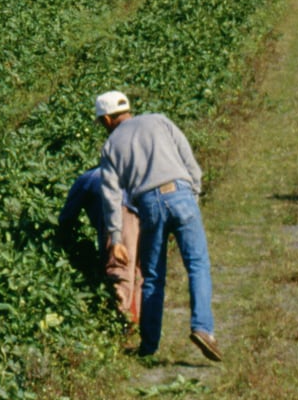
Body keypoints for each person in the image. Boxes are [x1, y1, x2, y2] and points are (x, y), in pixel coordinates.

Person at [93, 90, 219, 361]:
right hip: (182, 194)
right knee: (197, 265)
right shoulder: (159, 121)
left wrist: (116, 238)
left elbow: (111, 197)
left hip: (148, 204)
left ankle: (149, 345)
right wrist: (192, 197)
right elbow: (190, 163)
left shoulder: (111, 146)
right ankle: (202, 328)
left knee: (152, 277)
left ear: (106, 119)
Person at [57, 164, 141, 324]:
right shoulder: (129, 173)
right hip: (143, 214)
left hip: (120, 215)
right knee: (138, 272)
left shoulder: (88, 178)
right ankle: (137, 325)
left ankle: (118, 324)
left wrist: (64, 242)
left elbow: (66, 218)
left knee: (119, 270)